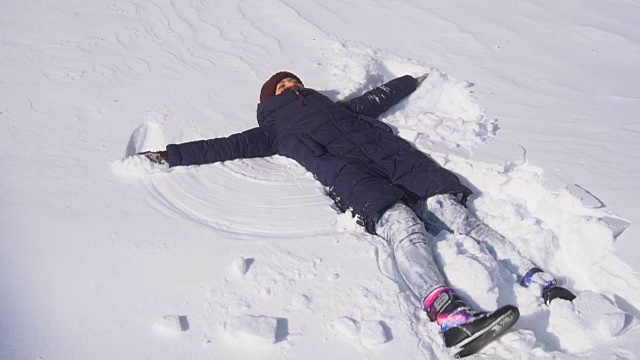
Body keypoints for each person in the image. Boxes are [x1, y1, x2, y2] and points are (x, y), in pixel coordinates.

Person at [139, 71, 574, 357]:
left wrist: (409, 79)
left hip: (402, 161)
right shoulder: (273, 129)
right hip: (356, 181)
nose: (291, 84)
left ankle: (537, 278)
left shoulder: (338, 107)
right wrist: (172, 155)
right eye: (283, 84)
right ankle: (451, 317)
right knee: (404, 229)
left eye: (294, 80)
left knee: (458, 215)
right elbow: (222, 146)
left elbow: (378, 97)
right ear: (269, 97)